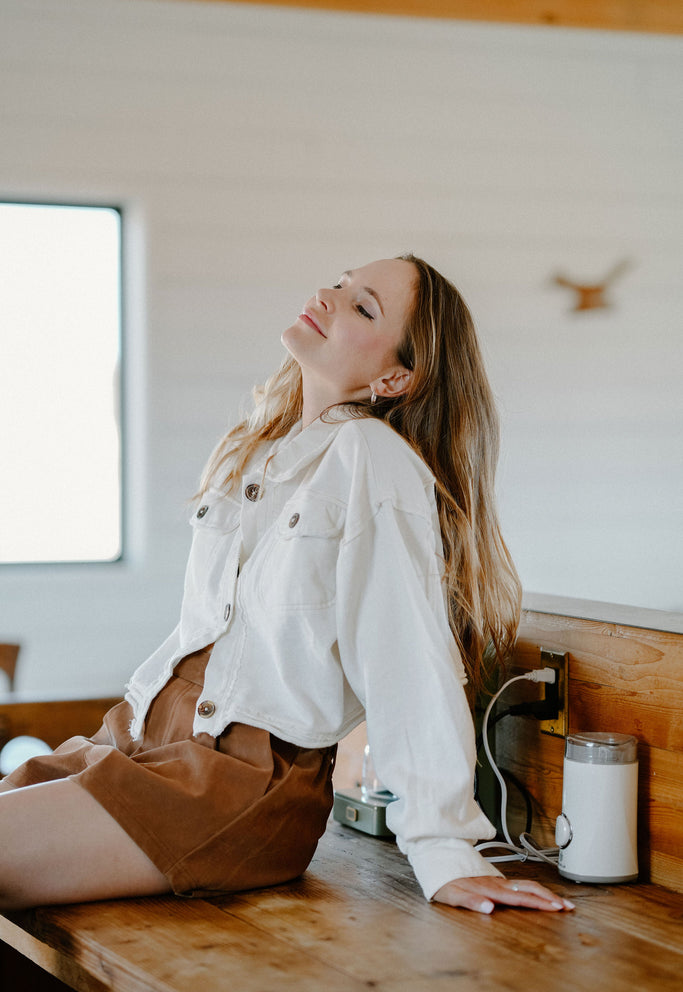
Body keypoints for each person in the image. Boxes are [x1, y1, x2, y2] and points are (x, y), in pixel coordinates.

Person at [0, 255, 574, 916]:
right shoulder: (257, 453)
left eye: (363, 306)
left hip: (237, 783)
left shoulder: (373, 460)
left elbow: (406, 655)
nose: (329, 297)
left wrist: (442, 848)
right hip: (138, 741)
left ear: (395, 376)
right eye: (339, 282)